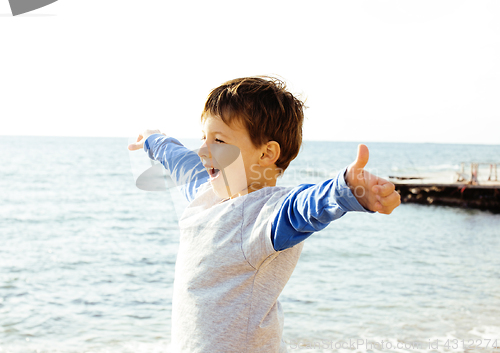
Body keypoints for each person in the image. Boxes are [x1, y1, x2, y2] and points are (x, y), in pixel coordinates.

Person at [128, 76, 400, 353]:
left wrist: (345, 190)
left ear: (267, 153)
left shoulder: (265, 214)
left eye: (218, 140)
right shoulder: (208, 195)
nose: (202, 150)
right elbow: (182, 162)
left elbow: (304, 208)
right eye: (204, 138)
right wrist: (154, 140)